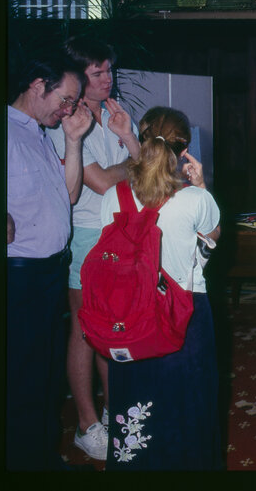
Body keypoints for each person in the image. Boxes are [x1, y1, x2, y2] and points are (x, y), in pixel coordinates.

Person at [101, 107, 221, 469]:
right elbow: (210, 243)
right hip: (184, 316)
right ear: (183, 150)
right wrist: (201, 185)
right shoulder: (195, 200)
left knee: (135, 403)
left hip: (130, 318)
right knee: (189, 405)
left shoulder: (114, 197)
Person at [45, 36, 140, 461]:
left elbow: (142, 171)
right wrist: (130, 168)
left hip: (122, 229)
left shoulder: (119, 115)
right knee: (85, 331)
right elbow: (98, 182)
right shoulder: (67, 119)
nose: (108, 78)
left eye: (109, 69)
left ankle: (113, 413)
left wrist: (128, 145)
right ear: (77, 79)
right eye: (98, 72)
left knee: (115, 325)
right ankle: (86, 424)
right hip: (86, 233)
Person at [7, 54, 91, 470]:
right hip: (18, 277)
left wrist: (73, 140)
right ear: (39, 84)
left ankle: (41, 457)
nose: (69, 109)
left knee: (43, 375)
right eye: (66, 99)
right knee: (21, 377)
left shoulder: (39, 133)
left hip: (48, 273)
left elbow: (70, 195)